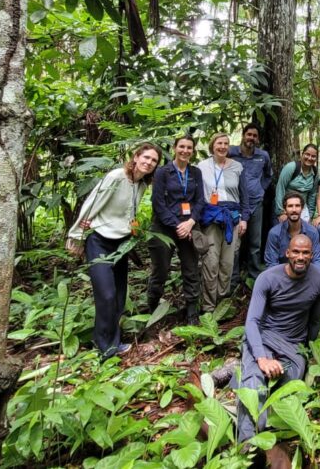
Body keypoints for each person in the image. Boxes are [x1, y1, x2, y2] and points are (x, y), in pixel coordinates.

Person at [67, 142, 161, 357]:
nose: (149, 163)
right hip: (99, 240)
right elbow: (92, 204)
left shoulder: (142, 184)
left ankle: (113, 342)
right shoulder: (116, 176)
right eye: (146, 157)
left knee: (119, 295)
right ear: (136, 157)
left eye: (154, 160)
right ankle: (104, 347)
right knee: (106, 294)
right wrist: (76, 236)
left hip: (122, 242)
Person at [233, 234, 320, 444]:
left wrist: (309, 353)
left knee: (290, 387)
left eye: (305, 253)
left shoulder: (319, 281)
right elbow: (252, 321)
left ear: (312, 255)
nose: (300, 257)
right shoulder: (267, 278)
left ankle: (273, 435)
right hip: (264, 338)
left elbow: (314, 322)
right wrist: (261, 357)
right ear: (287, 253)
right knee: (253, 384)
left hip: (293, 345)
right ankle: (248, 444)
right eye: (296, 252)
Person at [149, 135, 205, 324]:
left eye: (189, 147)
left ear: (193, 150)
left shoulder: (195, 172)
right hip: (164, 226)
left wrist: (190, 222)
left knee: (191, 269)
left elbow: (199, 201)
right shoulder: (162, 172)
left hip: (189, 226)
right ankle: (152, 311)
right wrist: (177, 224)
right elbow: (157, 203)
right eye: (182, 146)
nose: (185, 151)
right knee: (160, 271)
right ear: (174, 148)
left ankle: (192, 312)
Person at [196, 133, 253, 314]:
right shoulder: (202, 167)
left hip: (232, 218)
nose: (222, 146)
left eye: (226, 143)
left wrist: (244, 218)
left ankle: (221, 303)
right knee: (210, 262)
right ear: (212, 145)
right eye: (219, 143)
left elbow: (245, 196)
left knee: (227, 263)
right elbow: (197, 195)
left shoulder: (237, 166)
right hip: (211, 217)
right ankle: (208, 307)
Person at [229, 123, 274, 284]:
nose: (251, 138)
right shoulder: (231, 152)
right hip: (235, 204)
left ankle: (254, 273)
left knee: (255, 241)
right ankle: (233, 276)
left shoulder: (263, 156)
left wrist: (261, 189)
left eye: (255, 136)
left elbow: (268, 175)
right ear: (243, 135)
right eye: (249, 134)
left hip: (256, 203)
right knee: (234, 241)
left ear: (258, 138)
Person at [264, 192, 320, 269]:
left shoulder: (312, 232)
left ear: (302, 209)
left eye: (297, 206)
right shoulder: (275, 233)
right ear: (285, 210)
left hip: (305, 273)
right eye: (290, 206)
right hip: (282, 275)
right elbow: (271, 263)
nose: (294, 210)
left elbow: (317, 260)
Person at [274, 144, 320, 222]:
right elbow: (280, 189)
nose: (310, 158)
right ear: (302, 154)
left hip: (302, 207)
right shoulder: (291, 167)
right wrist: (281, 212)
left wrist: (310, 214)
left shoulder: (315, 173)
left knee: (305, 232)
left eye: (313, 156)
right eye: (307, 154)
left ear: (316, 158)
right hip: (285, 206)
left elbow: (312, 194)